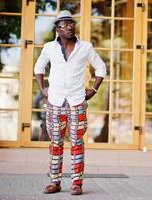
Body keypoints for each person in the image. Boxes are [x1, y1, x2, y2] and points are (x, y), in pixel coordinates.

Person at [34, 10, 106, 195]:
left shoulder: (86, 47)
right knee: (55, 143)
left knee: (77, 143)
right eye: (65, 24)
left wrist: (94, 90)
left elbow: (101, 68)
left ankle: (76, 184)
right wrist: (43, 90)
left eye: (71, 23)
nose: (70, 26)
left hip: (77, 102)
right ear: (57, 28)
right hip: (55, 103)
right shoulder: (49, 47)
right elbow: (38, 68)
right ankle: (55, 183)